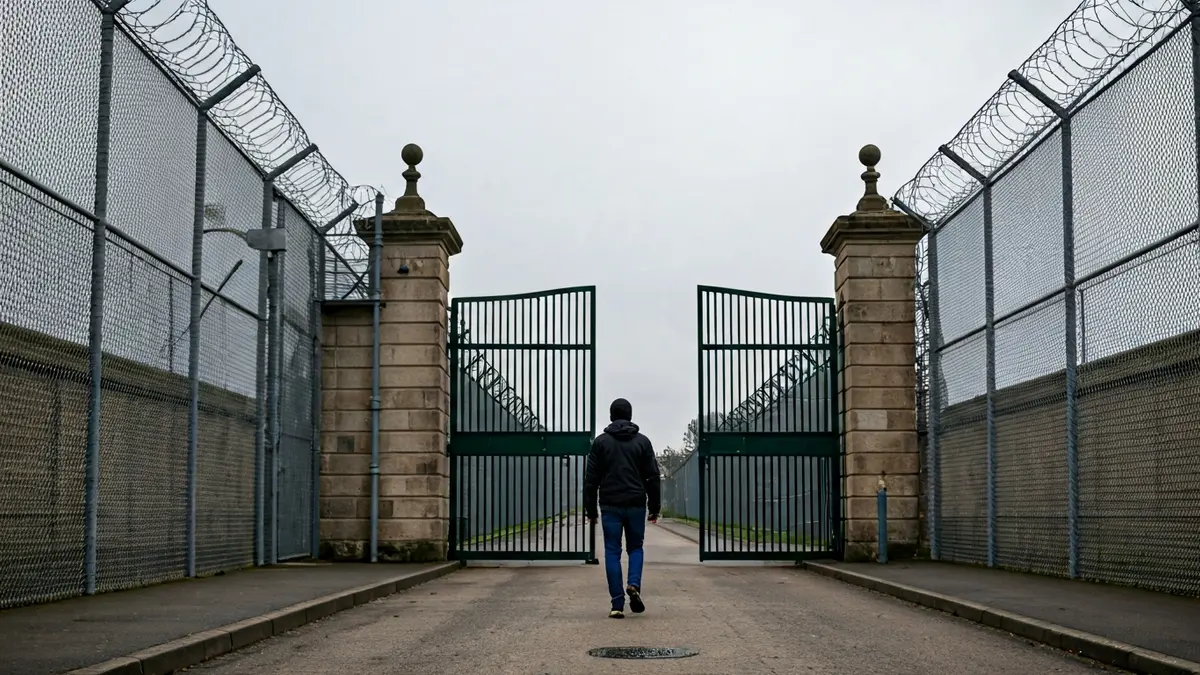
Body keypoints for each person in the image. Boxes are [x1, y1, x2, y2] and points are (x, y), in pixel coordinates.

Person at [583, 397, 661, 619]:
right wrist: (654, 507)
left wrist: (590, 510)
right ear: (630, 416)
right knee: (635, 548)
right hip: (636, 503)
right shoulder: (643, 442)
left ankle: (617, 604)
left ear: (611, 416)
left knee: (612, 552)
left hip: (610, 504)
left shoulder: (600, 443)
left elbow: (591, 480)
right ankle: (633, 584)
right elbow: (653, 477)